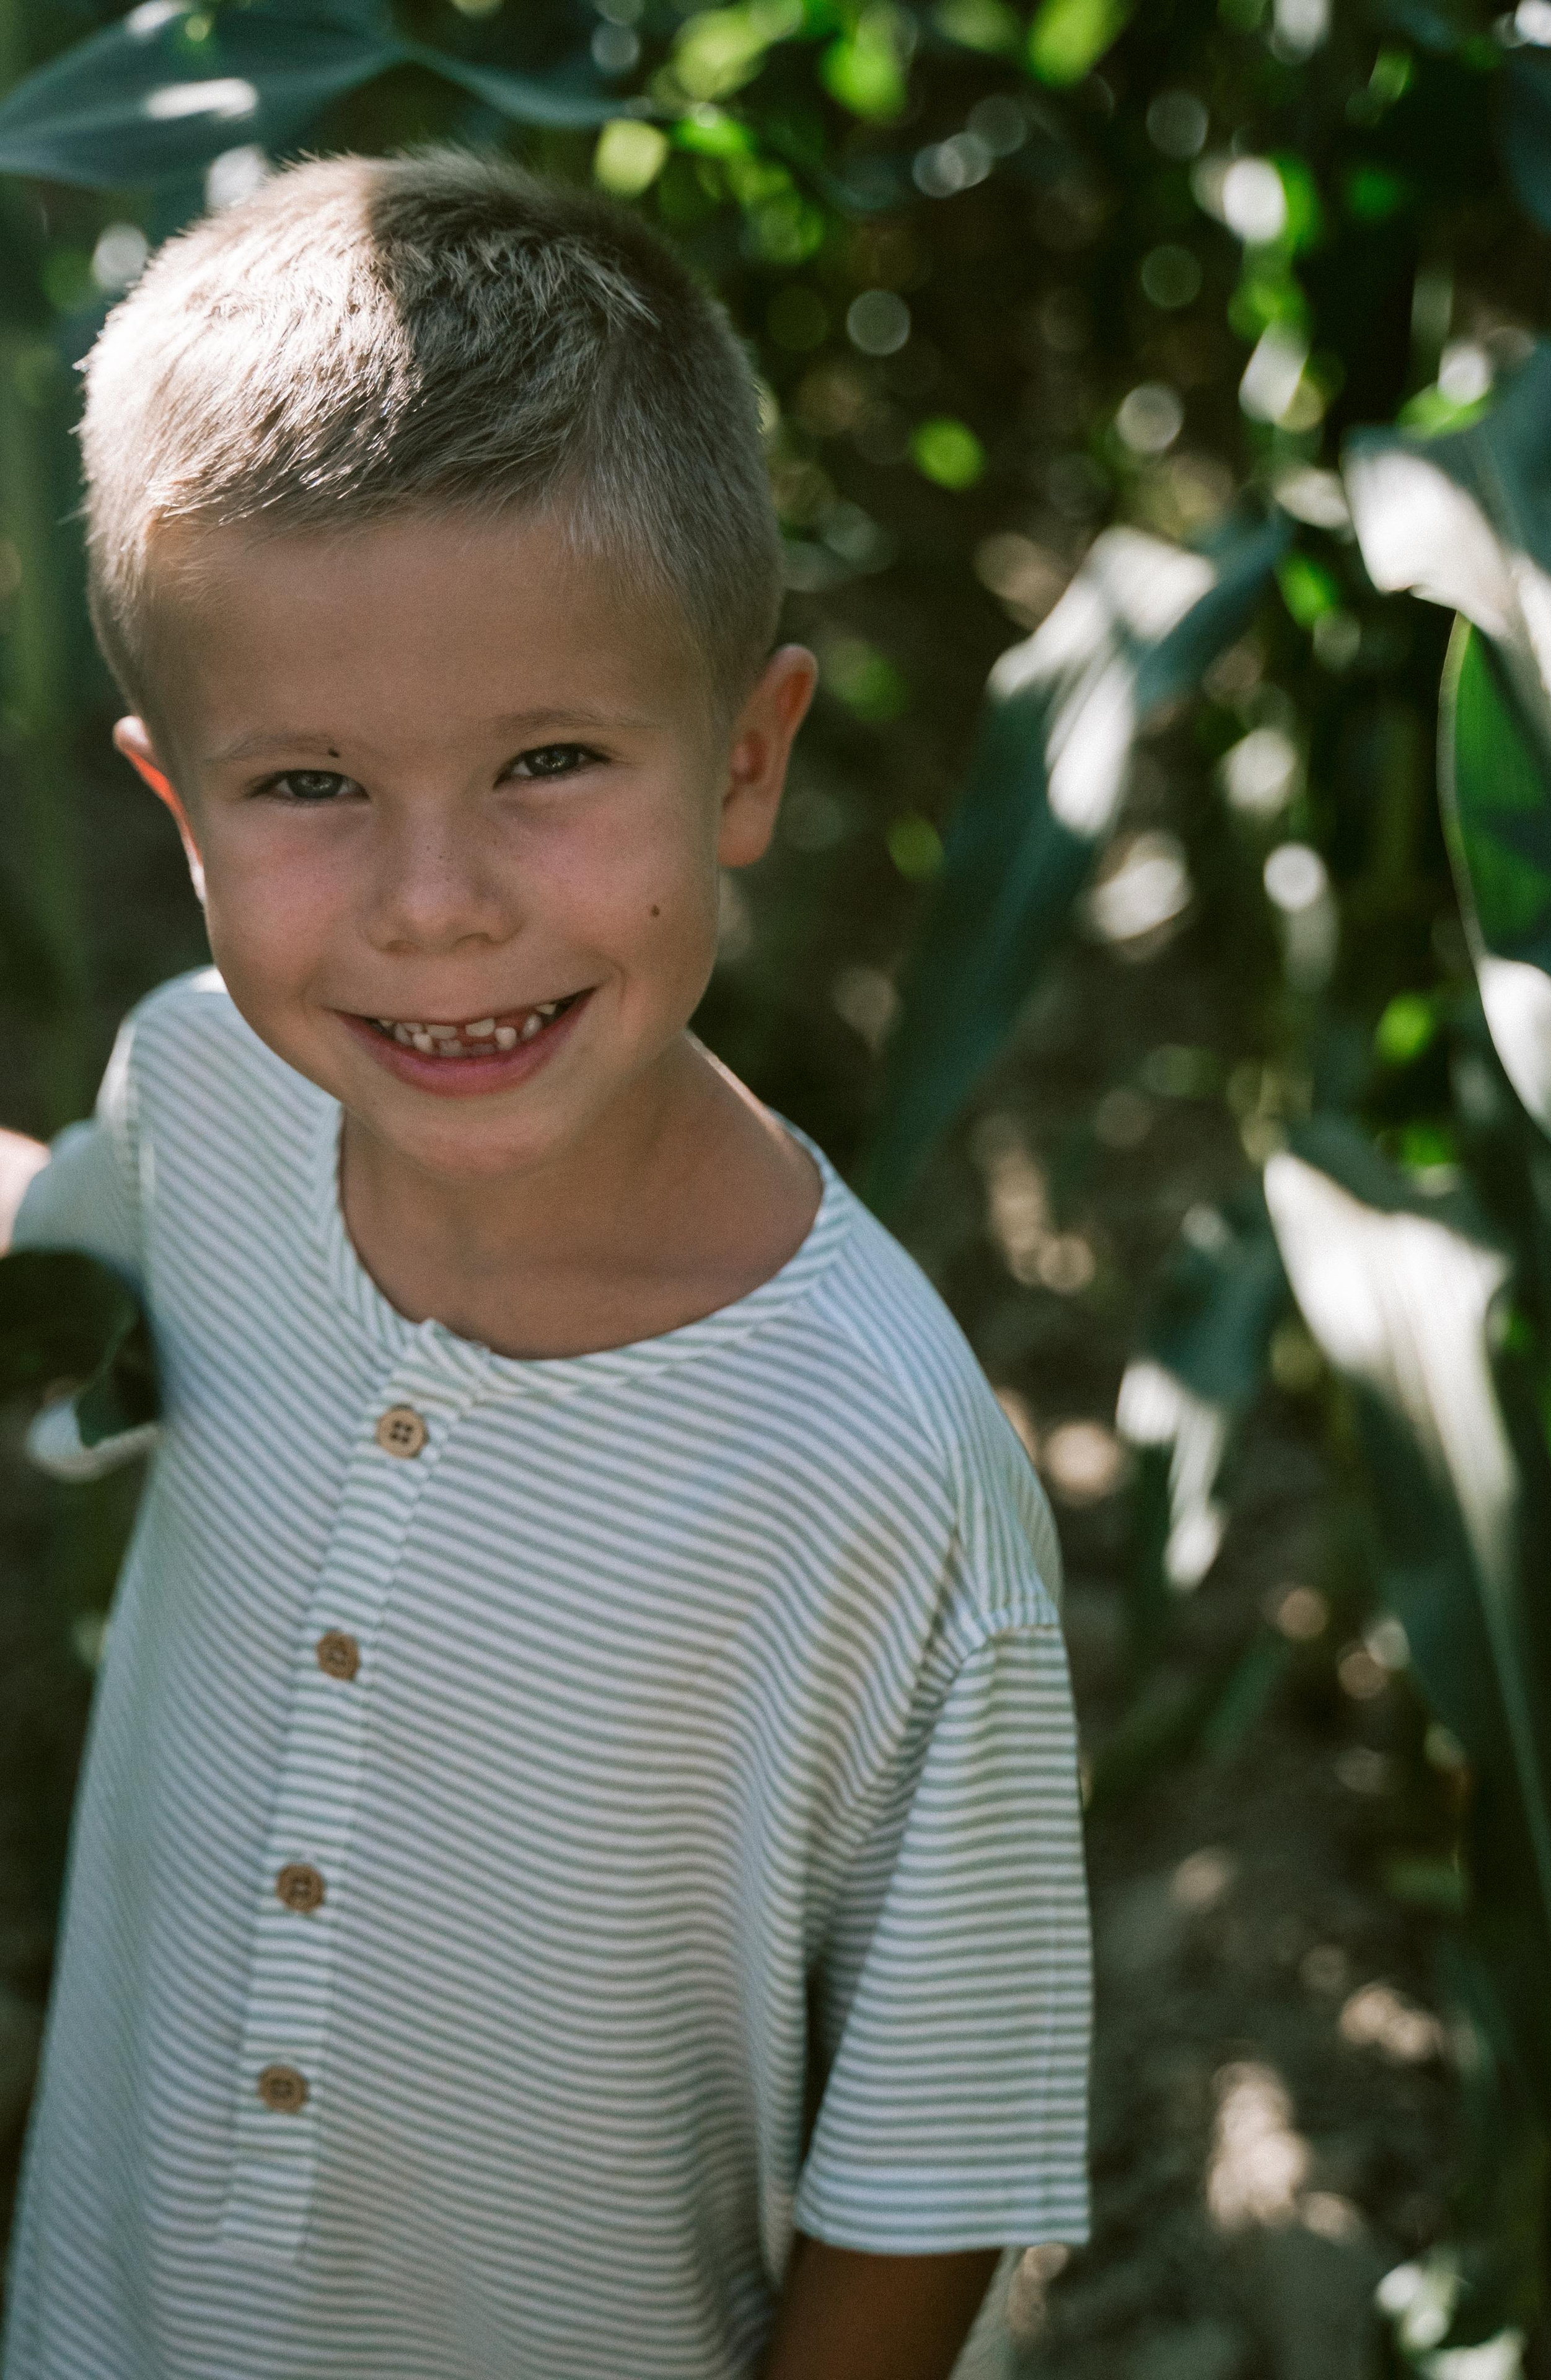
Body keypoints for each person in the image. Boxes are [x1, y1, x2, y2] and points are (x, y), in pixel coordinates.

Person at [0, 151, 1091, 2380]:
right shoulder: (208, 1098)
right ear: (173, 804)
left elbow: (932, 2188)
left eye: (550, 764)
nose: (434, 903)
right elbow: (72, 1267)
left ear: (749, 761)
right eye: (306, 784)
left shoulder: (881, 1481)